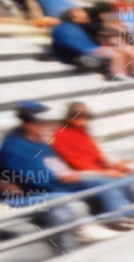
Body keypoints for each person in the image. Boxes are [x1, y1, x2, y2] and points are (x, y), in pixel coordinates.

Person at [1, 103, 88, 251]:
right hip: (13, 201)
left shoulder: (39, 144)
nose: (45, 128)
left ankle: (70, 253)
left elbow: (52, 164)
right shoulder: (13, 146)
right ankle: (79, 237)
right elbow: (33, 178)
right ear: (29, 125)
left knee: (59, 212)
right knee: (60, 197)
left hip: (34, 196)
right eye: (40, 124)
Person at [50, 102, 134, 227]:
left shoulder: (83, 133)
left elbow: (97, 157)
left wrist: (113, 165)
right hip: (78, 175)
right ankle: (117, 218)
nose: (84, 121)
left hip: (93, 171)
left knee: (125, 176)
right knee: (108, 182)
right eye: (79, 117)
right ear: (69, 118)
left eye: (86, 117)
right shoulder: (60, 135)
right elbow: (76, 163)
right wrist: (105, 172)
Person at [50, 7, 134, 78]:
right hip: (80, 54)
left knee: (126, 51)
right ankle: (119, 75)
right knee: (118, 54)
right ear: (72, 16)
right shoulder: (65, 28)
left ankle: (130, 73)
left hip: (91, 48)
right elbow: (75, 45)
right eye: (80, 12)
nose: (84, 13)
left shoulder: (79, 27)